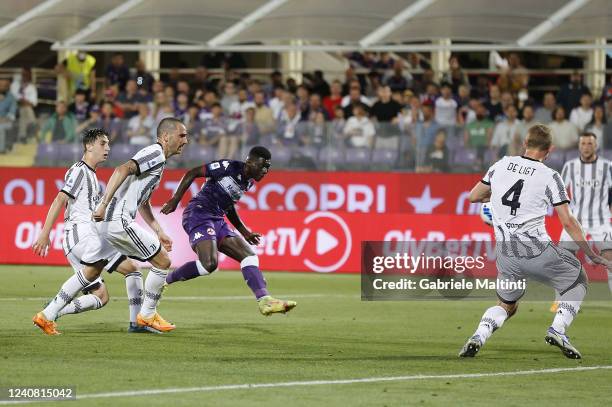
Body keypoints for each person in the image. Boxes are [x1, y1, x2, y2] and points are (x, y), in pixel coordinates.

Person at [459, 124, 609, 359]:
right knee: (578, 278)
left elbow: (473, 196)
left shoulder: (501, 164)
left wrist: (496, 197)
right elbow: (568, 221)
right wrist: (590, 253)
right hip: (536, 251)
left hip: (506, 254)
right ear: (550, 150)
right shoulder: (550, 176)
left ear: (525, 144)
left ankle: (479, 334)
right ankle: (557, 329)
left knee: (507, 305)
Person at [31, 129, 156, 335]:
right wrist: (45, 233)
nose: (107, 148)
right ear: (89, 146)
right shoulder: (79, 170)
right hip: (81, 234)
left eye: (108, 144)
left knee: (101, 296)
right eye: (102, 143)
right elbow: (60, 199)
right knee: (127, 268)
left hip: (80, 238)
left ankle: (51, 311)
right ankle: (137, 323)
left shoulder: (91, 175)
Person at [161, 146, 297, 316]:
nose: (265, 171)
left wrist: (245, 232)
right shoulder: (228, 167)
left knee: (249, 256)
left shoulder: (248, 182)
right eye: (263, 166)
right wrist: (175, 199)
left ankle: (265, 300)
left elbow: (228, 206)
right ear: (250, 162)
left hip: (217, 219)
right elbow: (193, 172)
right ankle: (164, 280)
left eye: (268, 168)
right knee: (209, 264)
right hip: (199, 212)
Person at [91, 118, 188, 332]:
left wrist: (159, 231)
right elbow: (121, 169)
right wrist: (103, 205)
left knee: (130, 269)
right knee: (162, 261)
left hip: (110, 222)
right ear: (165, 137)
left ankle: (137, 323)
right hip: (117, 220)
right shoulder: (154, 153)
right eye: (181, 135)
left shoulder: (158, 161)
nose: (186, 140)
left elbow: (143, 202)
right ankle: (147, 315)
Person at [557, 132, 612, 295]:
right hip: (576, 221)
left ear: (596, 146)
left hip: (600, 221)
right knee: (564, 259)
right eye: (583, 144)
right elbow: (560, 192)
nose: (586, 147)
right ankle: (561, 300)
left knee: (610, 259)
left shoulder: (607, 166)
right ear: (579, 146)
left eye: (590, 144)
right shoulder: (570, 166)